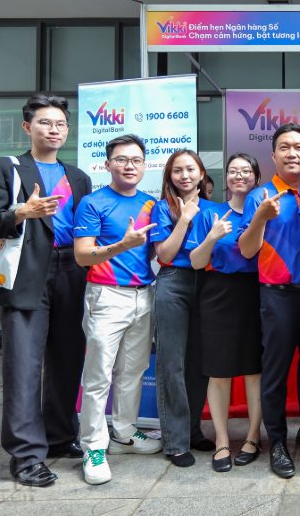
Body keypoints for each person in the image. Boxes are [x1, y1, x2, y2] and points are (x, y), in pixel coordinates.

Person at [0, 94, 91, 487]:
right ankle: (26, 456)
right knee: (23, 366)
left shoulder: (78, 177)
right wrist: (21, 212)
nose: (53, 130)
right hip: (27, 273)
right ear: (28, 127)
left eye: (60, 124)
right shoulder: (3, 168)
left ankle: (60, 435)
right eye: (45, 122)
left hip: (72, 271)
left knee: (68, 360)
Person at [73, 134, 162, 485]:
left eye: (136, 160)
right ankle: (94, 446)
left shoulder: (151, 204)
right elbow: (83, 255)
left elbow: (155, 251)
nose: (129, 166)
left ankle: (124, 434)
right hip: (106, 296)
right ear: (108, 164)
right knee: (99, 376)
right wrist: (122, 244)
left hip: (144, 295)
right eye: (122, 160)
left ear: (144, 165)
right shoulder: (93, 202)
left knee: (134, 370)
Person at [238, 123, 300, 479]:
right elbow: (246, 250)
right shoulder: (261, 195)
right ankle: (277, 443)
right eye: (284, 147)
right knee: (276, 371)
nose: (292, 153)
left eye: (298, 147)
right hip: (278, 296)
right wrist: (260, 216)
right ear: (273, 156)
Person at [188, 153, 263, 472]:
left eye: (246, 170)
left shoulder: (266, 210)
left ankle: (252, 437)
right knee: (218, 371)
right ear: (226, 178)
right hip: (217, 293)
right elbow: (195, 261)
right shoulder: (210, 212)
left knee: (254, 370)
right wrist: (212, 236)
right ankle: (221, 439)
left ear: (256, 177)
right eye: (233, 171)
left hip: (257, 291)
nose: (239, 176)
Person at [148, 150, 215, 468]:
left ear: (201, 173)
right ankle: (175, 441)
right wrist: (184, 218)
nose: (185, 176)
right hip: (173, 283)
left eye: (190, 169)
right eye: (177, 170)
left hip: (208, 285)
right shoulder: (162, 208)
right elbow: (164, 254)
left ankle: (192, 430)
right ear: (169, 176)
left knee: (199, 363)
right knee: (171, 363)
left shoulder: (214, 209)